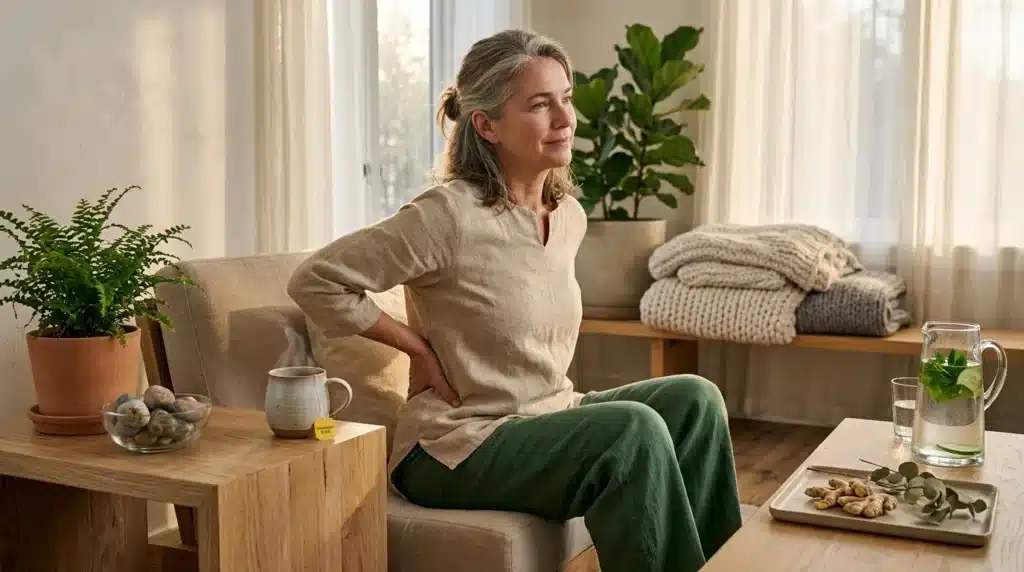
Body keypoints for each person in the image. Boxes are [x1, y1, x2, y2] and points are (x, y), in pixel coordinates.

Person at [288, 29, 742, 572]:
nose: (565, 119)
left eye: (566, 98)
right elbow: (316, 280)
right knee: (633, 431)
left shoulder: (567, 215)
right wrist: (416, 347)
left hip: (547, 412)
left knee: (695, 400)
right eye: (539, 105)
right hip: (455, 444)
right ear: (486, 125)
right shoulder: (447, 216)